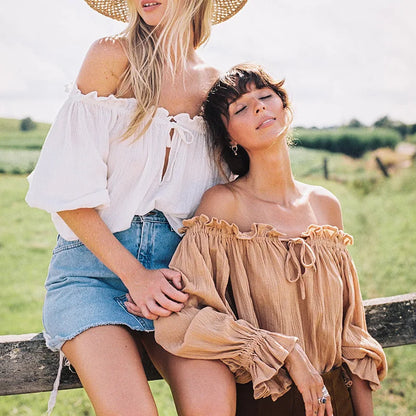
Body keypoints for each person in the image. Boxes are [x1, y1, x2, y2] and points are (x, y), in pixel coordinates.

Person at [25, 1, 248, 415]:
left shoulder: (217, 86)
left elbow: (236, 194)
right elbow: (68, 194)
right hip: (93, 275)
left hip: (180, 284)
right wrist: (136, 277)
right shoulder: (112, 56)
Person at [150, 63, 388, 416]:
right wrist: (283, 351)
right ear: (229, 134)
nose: (259, 107)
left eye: (265, 96)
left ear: (284, 108)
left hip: (337, 400)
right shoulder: (224, 206)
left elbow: (352, 333)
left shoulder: (325, 206)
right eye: (241, 108)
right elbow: (185, 316)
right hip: (265, 402)